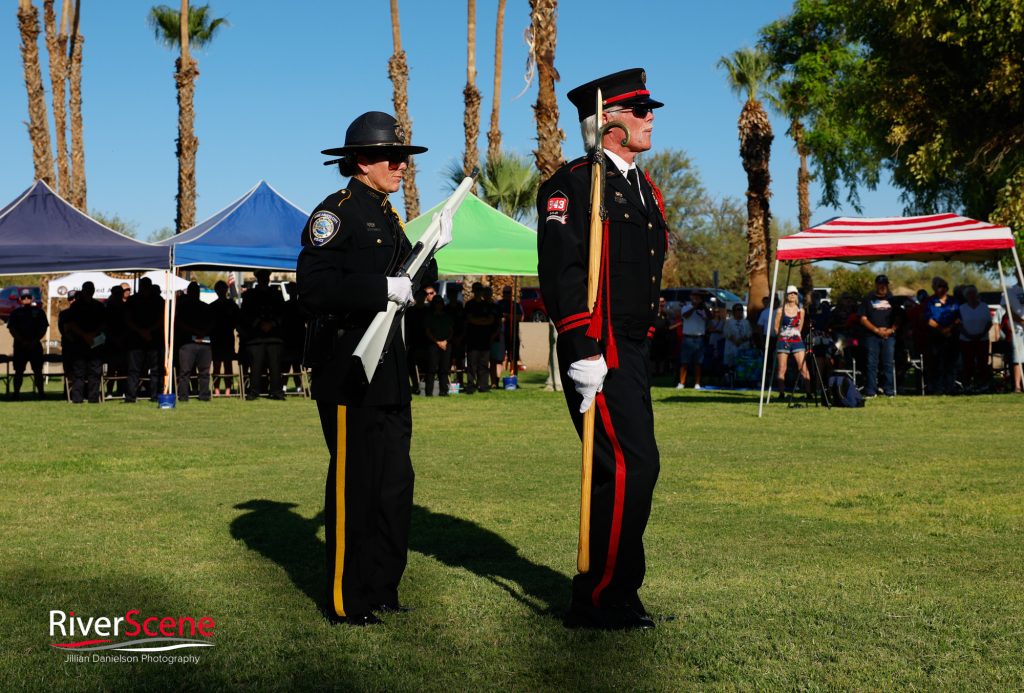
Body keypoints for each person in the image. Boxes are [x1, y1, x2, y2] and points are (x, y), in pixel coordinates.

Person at [297, 111, 445, 626]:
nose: (401, 166)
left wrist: (427, 269)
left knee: (393, 485)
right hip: (348, 367)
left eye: (403, 158)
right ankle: (347, 597)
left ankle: (382, 585)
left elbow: (407, 268)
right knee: (354, 485)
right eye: (392, 158)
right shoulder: (333, 213)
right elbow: (313, 288)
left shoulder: (387, 214)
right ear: (362, 161)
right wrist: (381, 289)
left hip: (389, 369)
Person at [538, 68, 667, 630]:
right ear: (609, 120)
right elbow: (564, 272)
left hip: (633, 349)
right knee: (630, 466)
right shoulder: (574, 184)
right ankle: (599, 597)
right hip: (598, 348)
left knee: (628, 470)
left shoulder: (646, 187)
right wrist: (582, 345)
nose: (650, 118)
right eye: (640, 111)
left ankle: (615, 590)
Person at [241, 269, 286, 400]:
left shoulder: (275, 294)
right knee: (255, 367)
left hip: (274, 336)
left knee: (275, 366)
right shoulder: (250, 294)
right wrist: (259, 323)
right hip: (256, 337)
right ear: (258, 279)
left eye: (265, 277)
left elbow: (282, 312)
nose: (264, 279)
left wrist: (272, 323)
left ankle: (276, 391)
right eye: (261, 277)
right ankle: (254, 391)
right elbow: (246, 313)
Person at [64, 281, 106, 404]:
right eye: (87, 290)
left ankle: (93, 398)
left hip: (95, 343)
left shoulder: (99, 306)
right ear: (83, 291)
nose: (89, 292)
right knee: (79, 373)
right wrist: (85, 335)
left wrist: (92, 335)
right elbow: (70, 324)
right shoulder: (76, 306)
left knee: (95, 372)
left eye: (90, 289)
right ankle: (77, 399)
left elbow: (104, 324)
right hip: (80, 343)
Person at [124, 277, 164, 403]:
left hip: (142, 338)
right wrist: (148, 331)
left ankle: (132, 396)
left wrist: (142, 331)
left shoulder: (133, 300)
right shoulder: (158, 300)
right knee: (152, 370)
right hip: (149, 337)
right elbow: (162, 319)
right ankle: (154, 395)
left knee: (137, 370)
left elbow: (128, 319)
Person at [859, 274, 898, 398]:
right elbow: (863, 319)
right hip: (872, 337)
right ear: (876, 285)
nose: (882, 287)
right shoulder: (868, 299)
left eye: (885, 284)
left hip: (889, 336)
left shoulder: (893, 299)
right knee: (871, 364)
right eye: (880, 284)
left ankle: (889, 391)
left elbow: (899, 318)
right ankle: (871, 391)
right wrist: (876, 330)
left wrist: (891, 330)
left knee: (888, 363)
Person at [175, 281, 214, 401]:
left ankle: (202, 395)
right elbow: (179, 323)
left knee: (203, 372)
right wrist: (197, 331)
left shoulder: (205, 307)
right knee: (186, 372)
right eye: (193, 291)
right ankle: (183, 396)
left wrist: (200, 332)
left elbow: (212, 323)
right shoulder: (182, 307)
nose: (195, 293)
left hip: (202, 342)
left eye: (196, 291)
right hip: (188, 343)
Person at [7, 288, 48, 398]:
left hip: (35, 346)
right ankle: (16, 393)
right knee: (19, 372)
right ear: (20, 299)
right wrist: (22, 341)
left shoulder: (39, 312)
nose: (26, 299)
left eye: (28, 297)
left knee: (38, 371)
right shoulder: (15, 313)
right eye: (24, 297)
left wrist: (35, 340)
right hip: (20, 346)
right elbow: (12, 329)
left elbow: (43, 328)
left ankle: (41, 393)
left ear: (32, 298)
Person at [773, 285, 811, 398]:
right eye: (790, 293)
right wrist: (782, 337)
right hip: (783, 340)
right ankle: (781, 393)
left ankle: (808, 393)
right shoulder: (780, 310)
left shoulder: (801, 310)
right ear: (786, 296)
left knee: (803, 367)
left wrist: (794, 334)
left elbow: (800, 327)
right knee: (782, 368)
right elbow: (776, 328)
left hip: (796, 340)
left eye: (794, 293)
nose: (792, 295)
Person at [924, 276, 959, 395]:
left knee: (951, 363)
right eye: (939, 286)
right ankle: (937, 388)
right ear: (934, 288)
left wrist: (949, 329)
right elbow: (928, 319)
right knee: (937, 363)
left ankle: (950, 387)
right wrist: (941, 329)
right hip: (936, 337)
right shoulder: (930, 302)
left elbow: (958, 318)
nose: (942, 289)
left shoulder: (953, 301)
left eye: (944, 286)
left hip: (951, 336)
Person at [958, 285, 992, 392]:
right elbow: (959, 324)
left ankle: (983, 384)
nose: (972, 296)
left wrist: (981, 334)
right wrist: (968, 335)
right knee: (968, 363)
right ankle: (967, 385)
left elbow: (989, 322)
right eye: (969, 294)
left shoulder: (984, 306)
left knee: (982, 363)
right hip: (966, 340)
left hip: (982, 339)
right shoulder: (962, 308)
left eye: (973, 294)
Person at [463, 282, 496, 393]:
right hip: (473, 339)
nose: (478, 293)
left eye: (480, 290)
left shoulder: (486, 304)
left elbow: (491, 320)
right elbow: (470, 319)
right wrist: (483, 321)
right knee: (472, 364)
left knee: (484, 364)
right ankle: (471, 385)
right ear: (474, 292)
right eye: (476, 291)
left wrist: (478, 321)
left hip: (485, 339)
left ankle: (483, 385)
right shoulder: (470, 305)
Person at [209, 280, 240, 396]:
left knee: (228, 365)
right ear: (216, 291)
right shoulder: (212, 306)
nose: (221, 291)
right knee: (216, 365)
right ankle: (216, 389)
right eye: (219, 289)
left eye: (223, 289)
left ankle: (228, 389)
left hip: (227, 338)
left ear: (226, 290)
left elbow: (238, 321)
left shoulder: (232, 305)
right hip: (216, 338)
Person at [675, 292, 708, 389]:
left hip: (699, 338)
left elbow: (710, 317)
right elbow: (685, 316)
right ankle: (682, 382)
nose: (696, 300)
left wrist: (703, 308)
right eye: (695, 298)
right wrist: (694, 308)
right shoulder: (686, 307)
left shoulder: (704, 309)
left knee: (698, 363)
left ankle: (697, 383)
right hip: (688, 338)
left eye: (698, 298)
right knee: (684, 362)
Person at [423, 295, 453, 396]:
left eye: (440, 303)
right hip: (433, 345)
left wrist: (445, 341)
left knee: (444, 369)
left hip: (445, 344)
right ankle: (429, 392)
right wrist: (437, 342)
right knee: (431, 369)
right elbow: (428, 331)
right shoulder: (430, 316)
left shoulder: (447, 316)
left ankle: (444, 391)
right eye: (437, 302)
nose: (439, 305)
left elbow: (451, 331)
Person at [282, 281, 308, 393]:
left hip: (297, 338)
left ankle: (298, 386)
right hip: (288, 338)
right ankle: (284, 385)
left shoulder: (300, 305)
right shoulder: (286, 305)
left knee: (296, 364)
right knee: (286, 365)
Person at [1001, 277, 1024, 392]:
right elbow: (1008, 310)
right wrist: (1021, 321)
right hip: (1017, 329)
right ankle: (1017, 386)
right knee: (1018, 357)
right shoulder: (1009, 291)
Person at [722, 303, 751, 373]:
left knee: (742, 365)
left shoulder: (746, 322)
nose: (740, 311)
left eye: (741, 309)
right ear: (734, 311)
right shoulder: (729, 322)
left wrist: (741, 340)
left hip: (743, 346)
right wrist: (735, 340)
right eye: (738, 309)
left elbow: (749, 333)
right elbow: (726, 332)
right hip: (731, 346)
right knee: (730, 365)